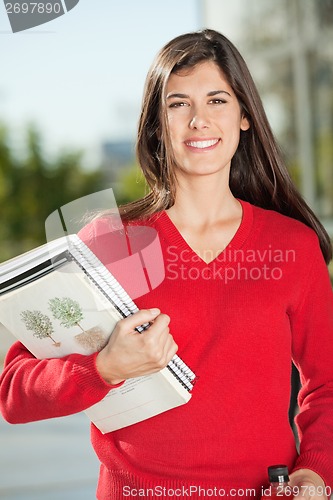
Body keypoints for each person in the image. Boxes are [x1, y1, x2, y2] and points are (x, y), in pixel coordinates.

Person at [1, 29, 333, 500]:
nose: (199, 119)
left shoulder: (292, 248)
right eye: (179, 104)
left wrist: (314, 471)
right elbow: (15, 392)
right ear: (158, 123)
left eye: (217, 100)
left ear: (244, 117)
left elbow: (327, 384)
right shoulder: (111, 243)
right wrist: (104, 367)